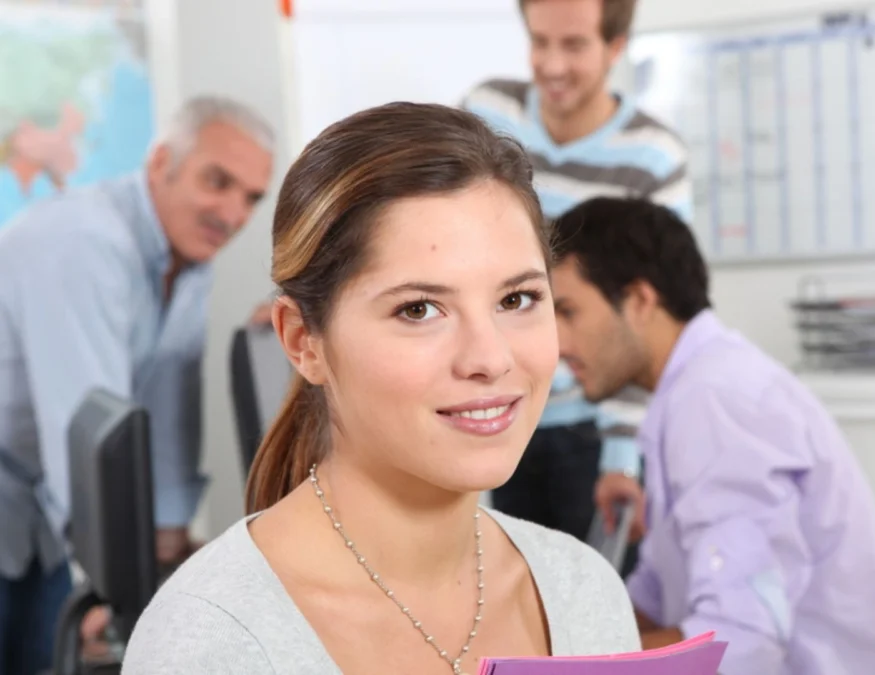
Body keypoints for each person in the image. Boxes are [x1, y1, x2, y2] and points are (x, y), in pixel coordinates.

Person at [120, 102, 640, 674]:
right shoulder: (211, 640)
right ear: (303, 342)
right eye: (419, 309)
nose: (490, 358)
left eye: (516, 300)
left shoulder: (584, 592)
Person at [549, 197, 875, 674]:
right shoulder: (690, 391)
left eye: (568, 312)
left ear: (640, 300)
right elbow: (659, 592)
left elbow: (741, 640)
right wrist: (555, 637)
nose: (556, 343)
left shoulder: (717, 401)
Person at [0, 95, 274, 675]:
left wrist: (169, 545)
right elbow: (84, 431)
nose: (231, 214)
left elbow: (171, 404)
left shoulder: (189, 258)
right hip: (28, 495)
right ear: (160, 164)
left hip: (33, 520)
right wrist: (117, 588)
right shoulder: (83, 243)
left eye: (250, 197)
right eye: (216, 181)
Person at [461, 0, 689, 558]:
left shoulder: (652, 158)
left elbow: (645, 322)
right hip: (497, 408)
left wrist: (619, 457)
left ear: (616, 46)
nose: (553, 65)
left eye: (574, 45)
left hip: (589, 427)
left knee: (596, 621)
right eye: (540, 42)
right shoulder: (489, 112)